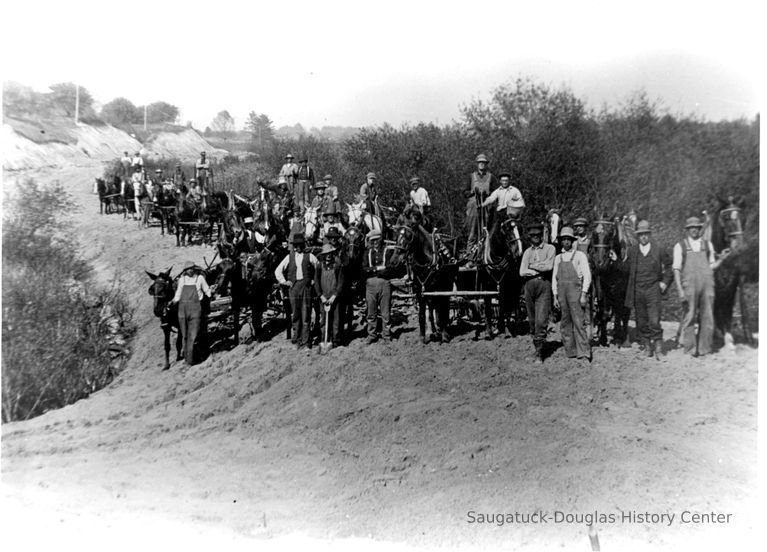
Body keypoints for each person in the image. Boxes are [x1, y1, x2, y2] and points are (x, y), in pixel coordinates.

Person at [623, 220, 673, 359]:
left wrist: (664, 282)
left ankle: (658, 349)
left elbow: (670, 266)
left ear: (649, 235)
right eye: (641, 234)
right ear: (637, 236)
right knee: (641, 321)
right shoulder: (632, 251)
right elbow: (626, 269)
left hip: (653, 289)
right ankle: (647, 348)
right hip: (638, 290)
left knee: (654, 320)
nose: (643, 237)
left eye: (646, 234)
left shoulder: (659, 249)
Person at [672, 216, 718, 357]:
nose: (694, 230)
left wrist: (722, 259)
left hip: (707, 285)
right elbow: (676, 269)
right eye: (691, 228)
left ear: (700, 229)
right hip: (689, 285)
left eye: (697, 227)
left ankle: (705, 349)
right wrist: (680, 290)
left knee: (708, 316)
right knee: (689, 315)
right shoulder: (680, 246)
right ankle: (690, 349)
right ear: (687, 230)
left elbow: (712, 266)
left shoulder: (708, 245)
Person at [552, 226, 592, 364]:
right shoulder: (558, 258)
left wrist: (583, 294)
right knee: (565, 322)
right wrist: (555, 296)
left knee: (579, 322)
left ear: (572, 241)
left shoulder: (580, 256)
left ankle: (584, 352)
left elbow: (587, 276)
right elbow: (554, 279)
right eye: (564, 240)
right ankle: (571, 351)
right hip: (562, 293)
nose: (566, 242)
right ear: (561, 242)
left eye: (569, 239)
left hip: (575, 292)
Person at [519, 223, 556, 363]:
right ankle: (536, 349)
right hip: (529, 287)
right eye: (532, 235)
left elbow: (548, 266)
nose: (535, 237)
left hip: (543, 285)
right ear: (529, 237)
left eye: (537, 235)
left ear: (542, 236)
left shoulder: (550, 248)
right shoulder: (527, 252)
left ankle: (540, 354)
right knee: (532, 321)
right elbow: (522, 271)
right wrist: (537, 268)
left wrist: (532, 266)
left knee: (541, 319)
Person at [275, 234, 319, 349]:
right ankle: (297, 337)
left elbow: (318, 268)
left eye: (300, 245)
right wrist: (284, 281)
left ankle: (306, 339)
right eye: (296, 245)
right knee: (296, 314)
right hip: (293, 288)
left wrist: (314, 280)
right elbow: (278, 271)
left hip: (306, 288)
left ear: (303, 245)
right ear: (294, 246)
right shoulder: (289, 257)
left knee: (306, 314)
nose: (298, 247)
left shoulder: (309, 256)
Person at [362, 228, 405, 343]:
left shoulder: (387, 251)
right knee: (371, 311)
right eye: (373, 240)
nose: (375, 242)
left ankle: (387, 334)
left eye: (377, 240)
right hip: (370, 283)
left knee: (385, 311)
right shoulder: (367, 253)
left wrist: (378, 271)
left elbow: (390, 268)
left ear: (381, 240)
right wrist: (377, 269)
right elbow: (364, 269)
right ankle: (372, 334)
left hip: (384, 283)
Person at [171, 260, 213, 366]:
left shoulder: (200, 278)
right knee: (184, 334)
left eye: (192, 268)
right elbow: (178, 294)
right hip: (183, 309)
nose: (190, 271)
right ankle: (188, 359)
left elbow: (207, 290)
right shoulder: (182, 280)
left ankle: (196, 357)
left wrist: (210, 294)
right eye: (188, 269)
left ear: (194, 269)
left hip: (196, 308)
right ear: (185, 271)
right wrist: (173, 302)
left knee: (193, 334)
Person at [464, 154, 499, 252]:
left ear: (486, 164)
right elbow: (464, 192)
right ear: (477, 164)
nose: (482, 164)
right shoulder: (471, 176)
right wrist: (472, 192)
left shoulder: (491, 177)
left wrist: (488, 194)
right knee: (472, 232)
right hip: (473, 209)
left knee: (487, 232)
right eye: (480, 162)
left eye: (483, 163)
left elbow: (495, 192)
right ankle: (470, 257)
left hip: (487, 209)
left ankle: (486, 255)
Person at [314, 243, 345, 348]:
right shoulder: (319, 266)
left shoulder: (337, 266)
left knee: (336, 320)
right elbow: (316, 282)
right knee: (323, 320)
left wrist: (334, 296)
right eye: (326, 253)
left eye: (330, 253)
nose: (328, 255)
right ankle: (324, 338)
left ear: (332, 253)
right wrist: (320, 295)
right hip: (323, 297)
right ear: (323, 254)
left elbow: (341, 282)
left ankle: (335, 341)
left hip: (334, 297)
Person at [481, 169, 525, 238]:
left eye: (506, 181)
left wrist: (514, 206)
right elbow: (491, 198)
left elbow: (521, 203)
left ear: (509, 181)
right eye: (503, 181)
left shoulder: (515, 191)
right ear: (500, 181)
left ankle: (521, 246)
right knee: (494, 231)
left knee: (519, 231)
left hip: (511, 214)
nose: (505, 183)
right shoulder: (498, 191)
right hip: (500, 215)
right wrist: (483, 204)